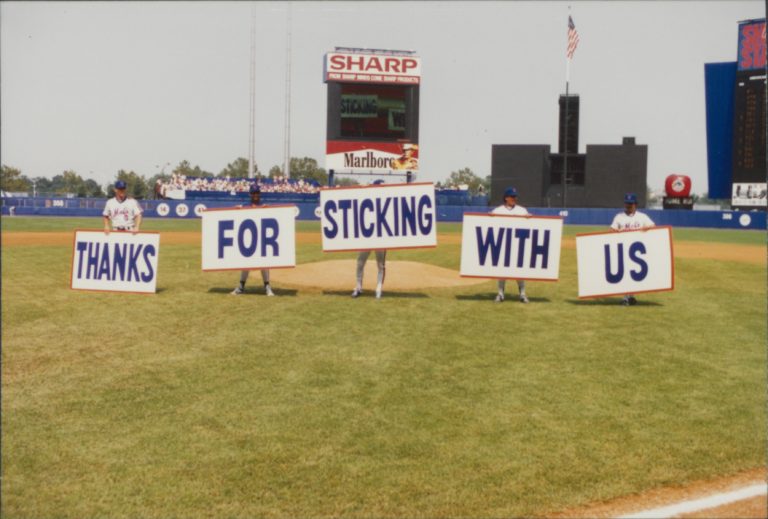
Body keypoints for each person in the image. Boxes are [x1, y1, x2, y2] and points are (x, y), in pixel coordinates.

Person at [610, 193, 655, 306]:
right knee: (626, 275)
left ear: (635, 204)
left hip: (637, 252)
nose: (628, 205)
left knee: (634, 275)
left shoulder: (642, 216)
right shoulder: (619, 216)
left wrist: (646, 228)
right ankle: (627, 297)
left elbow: (653, 226)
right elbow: (611, 230)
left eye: (631, 203)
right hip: (623, 250)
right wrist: (617, 232)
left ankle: (630, 296)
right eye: (627, 203)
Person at [230, 184, 275, 297]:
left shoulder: (264, 206)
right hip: (248, 240)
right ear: (250, 194)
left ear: (259, 194)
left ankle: (267, 286)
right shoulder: (245, 206)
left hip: (261, 239)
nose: (255, 195)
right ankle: (241, 286)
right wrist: (236, 210)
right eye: (253, 193)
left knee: (264, 263)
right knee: (246, 263)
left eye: (257, 193)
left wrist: (269, 210)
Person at [491, 186, 529, 303]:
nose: (514, 198)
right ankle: (500, 294)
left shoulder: (522, 210)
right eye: (512, 196)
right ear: (506, 198)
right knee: (502, 270)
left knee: (519, 270)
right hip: (503, 244)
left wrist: (530, 218)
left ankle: (522, 294)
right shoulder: (498, 210)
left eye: (515, 196)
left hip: (517, 244)